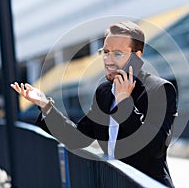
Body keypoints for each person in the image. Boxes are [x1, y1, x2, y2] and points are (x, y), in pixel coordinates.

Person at [11, 21, 177, 187]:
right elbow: (77, 138)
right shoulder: (103, 92)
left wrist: (124, 102)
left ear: (137, 57)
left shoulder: (159, 90)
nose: (108, 60)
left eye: (117, 54)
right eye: (105, 52)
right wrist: (45, 105)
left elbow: (154, 149)